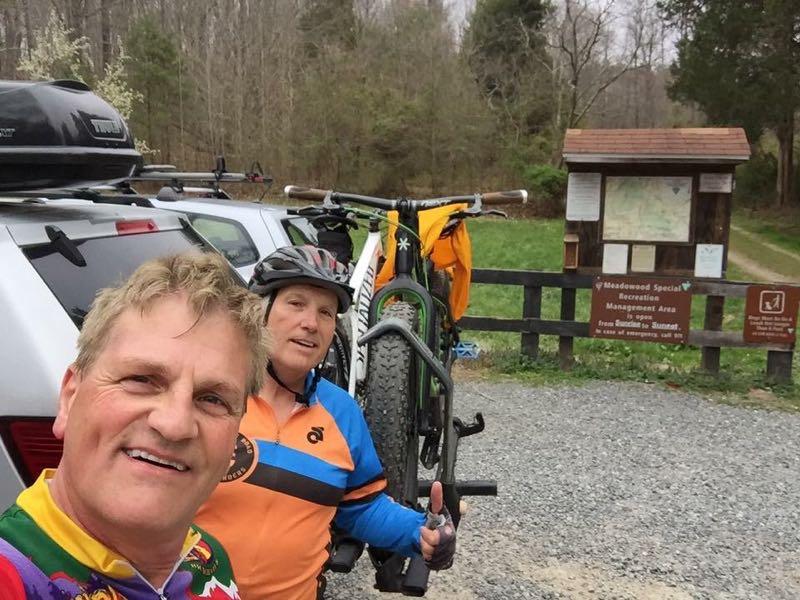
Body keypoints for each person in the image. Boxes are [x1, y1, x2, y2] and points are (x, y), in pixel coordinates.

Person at [0, 252, 270, 599]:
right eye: (141, 379)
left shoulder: (206, 559)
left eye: (212, 399)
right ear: (69, 396)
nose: (174, 424)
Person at [195, 245, 456, 599]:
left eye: (326, 312)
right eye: (296, 303)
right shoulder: (208, 392)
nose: (310, 323)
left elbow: (361, 507)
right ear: (261, 311)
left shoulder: (342, 412)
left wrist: (421, 532)